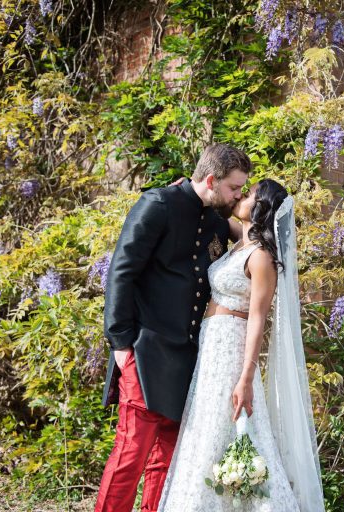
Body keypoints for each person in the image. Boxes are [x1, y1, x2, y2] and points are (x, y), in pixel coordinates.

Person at [94, 143, 251, 512]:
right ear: (210, 180)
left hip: (189, 358)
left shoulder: (214, 217)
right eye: (234, 188)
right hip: (145, 351)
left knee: (167, 457)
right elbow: (121, 272)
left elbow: (252, 239)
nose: (239, 194)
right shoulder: (158, 205)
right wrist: (120, 341)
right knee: (131, 454)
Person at [158, 179, 325, 511]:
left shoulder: (261, 257)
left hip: (232, 349)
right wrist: (180, 190)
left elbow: (258, 319)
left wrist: (246, 377)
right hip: (210, 345)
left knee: (227, 428)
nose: (242, 195)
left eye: (249, 195)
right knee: (205, 426)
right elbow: (209, 206)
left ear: (262, 207)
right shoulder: (239, 240)